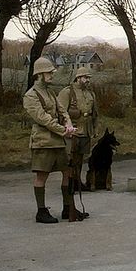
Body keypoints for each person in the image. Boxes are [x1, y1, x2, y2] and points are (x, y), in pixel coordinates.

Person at [23, 57, 77, 224]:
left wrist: (68, 124)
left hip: (59, 140)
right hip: (43, 141)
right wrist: (64, 131)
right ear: (40, 74)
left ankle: (68, 208)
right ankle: (41, 211)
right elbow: (43, 119)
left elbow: (62, 111)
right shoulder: (31, 95)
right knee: (42, 176)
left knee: (67, 172)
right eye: (49, 72)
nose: (53, 74)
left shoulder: (51, 92)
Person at [56, 66, 96, 221]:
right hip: (71, 135)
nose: (87, 80)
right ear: (78, 77)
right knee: (69, 169)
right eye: (85, 77)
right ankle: (68, 206)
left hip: (85, 133)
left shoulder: (89, 93)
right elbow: (60, 113)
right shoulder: (68, 92)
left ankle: (73, 205)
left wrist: (94, 128)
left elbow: (94, 113)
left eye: (88, 78)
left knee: (78, 167)